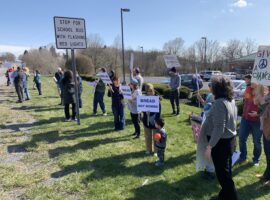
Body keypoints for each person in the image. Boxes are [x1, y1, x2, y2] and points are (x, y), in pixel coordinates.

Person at [201, 76, 238, 200]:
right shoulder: (230, 100)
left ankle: (231, 197)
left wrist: (209, 147)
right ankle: (224, 195)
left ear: (217, 88)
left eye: (212, 85)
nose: (210, 87)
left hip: (221, 143)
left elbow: (219, 128)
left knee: (223, 174)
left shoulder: (219, 103)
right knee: (226, 171)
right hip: (230, 140)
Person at [239, 74, 262, 166]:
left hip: (257, 121)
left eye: (253, 81)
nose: (250, 82)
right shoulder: (248, 89)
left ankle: (256, 159)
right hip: (245, 119)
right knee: (241, 139)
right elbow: (246, 101)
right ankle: (242, 157)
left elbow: (266, 108)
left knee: (256, 141)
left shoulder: (263, 92)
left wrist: (258, 114)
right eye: (250, 81)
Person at [196, 83, 215, 179]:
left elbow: (208, 109)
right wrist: (201, 100)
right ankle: (209, 168)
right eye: (209, 86)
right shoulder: (210, 95)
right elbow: (206, 107)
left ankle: (210, 170)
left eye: (211, 86)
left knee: (210, 147)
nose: (209, 88)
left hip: (212, 126)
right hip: (207, 123)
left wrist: (206, 106)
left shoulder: (216, 97)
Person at [255, 86, 270, 185]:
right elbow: (261, 108)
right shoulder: (268, 95)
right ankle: (267, 174)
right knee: (268, 153)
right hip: (266, 128)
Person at [142, 83, 161, 154]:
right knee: (147, 136)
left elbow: (159, 112)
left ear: (153, 91)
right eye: (148, 91)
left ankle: (156, 151)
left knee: (156, 136)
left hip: (155, 120)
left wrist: (157, 122)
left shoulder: (157, 100)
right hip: (146, 120)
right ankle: (148, 149)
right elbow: (142, 107)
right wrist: (145, 111)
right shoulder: (144, 99)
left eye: (151, 91)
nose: (150, 93)